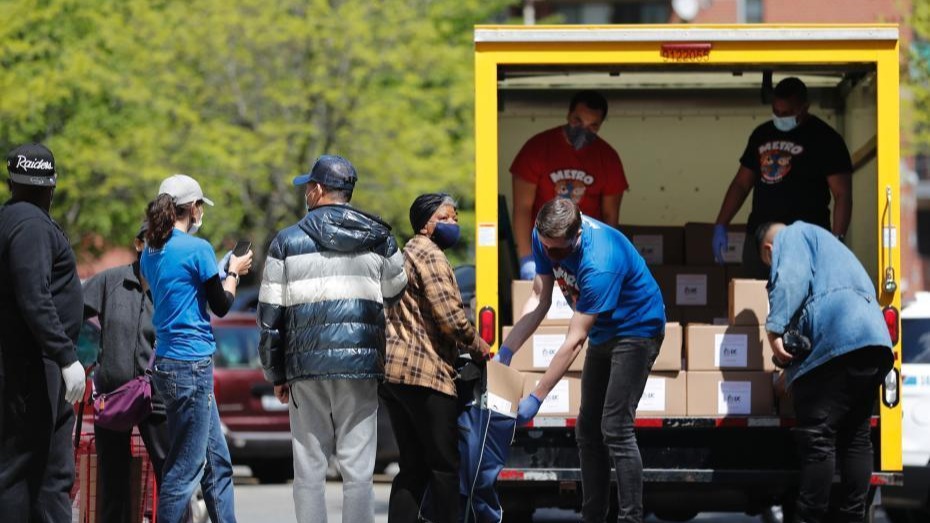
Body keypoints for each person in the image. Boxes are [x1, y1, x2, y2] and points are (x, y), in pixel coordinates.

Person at [257, 154, 408, 523]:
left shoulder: (286, 242)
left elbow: (269, 317)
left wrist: (276, 373)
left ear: (319, 190)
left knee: (308, 468)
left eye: (309, 186)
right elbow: (396, 286)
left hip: (305, 367)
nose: (307, 192)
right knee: (358, 470)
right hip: (359, 366)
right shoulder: (379, 237)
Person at [496, 198, 665, 523]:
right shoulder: (544, 236)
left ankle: (630, 518)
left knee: (616, 428)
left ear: (577, 234)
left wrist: (536, 398)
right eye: (547, 249)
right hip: (603, 331)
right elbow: (539, 298)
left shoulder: (600, 260)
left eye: (559, 252)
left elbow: (574, 342)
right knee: (587, 431)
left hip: (636, 330)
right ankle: (593, 517)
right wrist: (507, 349)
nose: (552, 255)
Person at [757, 221, 894, 523]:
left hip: (837, 337)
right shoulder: (833, 249)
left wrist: (774, 331)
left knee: (817, 438)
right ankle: (852, 518)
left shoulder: (791, 236)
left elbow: (789, 279)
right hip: (874, 341)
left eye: (770, 263)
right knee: (857, 436)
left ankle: (808, 519)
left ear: (769, 250)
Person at [141, 174, 253, 523]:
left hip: (169, 363)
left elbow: (184, 291)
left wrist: (218, 272)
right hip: (192, 366)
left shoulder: (151, 250)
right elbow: (222, 305)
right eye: (200, 206)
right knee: (184, 471)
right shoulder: (198, 249)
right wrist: (233, 272)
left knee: (217, 462)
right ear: (192, 208)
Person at [382, 193, 491, 523]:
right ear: (426, 224)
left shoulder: (407, 252)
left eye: (455, 217)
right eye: (446, 217)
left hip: (394, 376)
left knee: (412, 468)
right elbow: (450, 317)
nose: (454, 223)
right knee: (445, 466)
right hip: (425, 374)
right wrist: (479, 345)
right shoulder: (430, 255)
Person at [0, 143, 85, 522]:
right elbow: (34, 297)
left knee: (50, 471)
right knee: (24, 473)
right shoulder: (32, 226)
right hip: (33, 367)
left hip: (29, 364)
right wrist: (65, 355)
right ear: (51, 188)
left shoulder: (10, 220)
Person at [712, 77, 853, 278]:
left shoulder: (825, 139)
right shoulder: (762, 134)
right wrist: (721, 224)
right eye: (776, 112)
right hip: (760, 239)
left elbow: (842, 194)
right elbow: (741, 184)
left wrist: (837, 240)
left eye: (786, 113)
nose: (779, 117)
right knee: (754, 301)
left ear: (804, 108)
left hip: (806, 240)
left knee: (803, 302)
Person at [82, 222, 169, 523]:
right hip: (113, 396)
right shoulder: (110, 281)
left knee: (169, 476)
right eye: (152, 242)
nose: (158, 250)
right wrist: (76, 359)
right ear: (138, 244)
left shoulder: (171, 286)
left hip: (156, 397)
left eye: (165, 244)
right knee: (113, 480)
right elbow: (70, 311)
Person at [510, 90, 629, 280]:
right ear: (568, 115)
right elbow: (522, 208)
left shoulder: (608, 158)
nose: (583, 129)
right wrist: (526, 259)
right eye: (577, 121)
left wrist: (605, 257)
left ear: (600, 126)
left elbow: (610, 216)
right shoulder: (537, 149)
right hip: (543, 247)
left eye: (592, 126)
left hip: (585, 251)